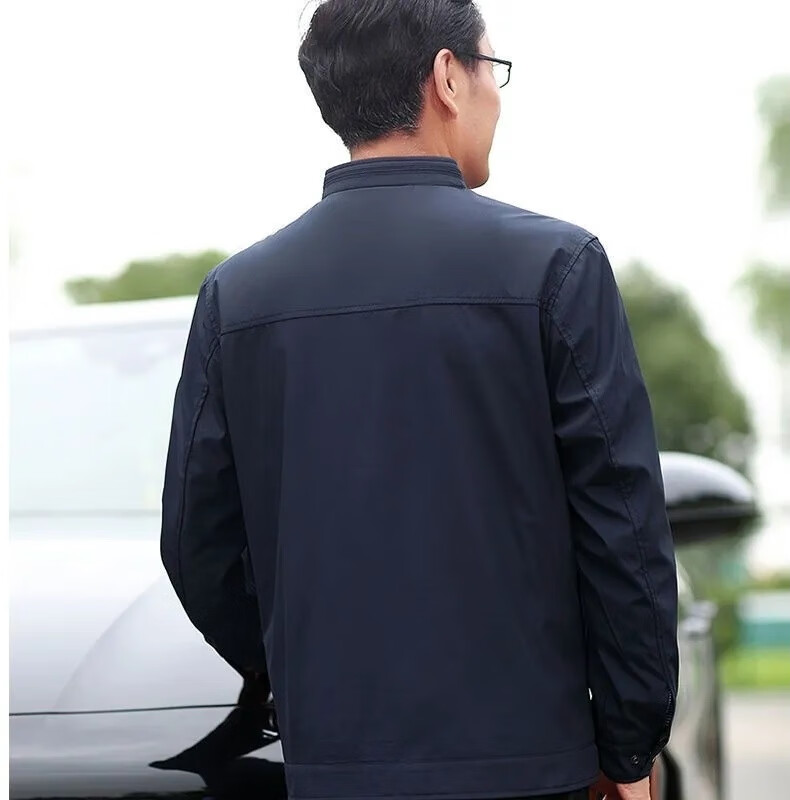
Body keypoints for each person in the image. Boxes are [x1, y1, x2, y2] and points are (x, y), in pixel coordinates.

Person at [160, 1, 679, 799]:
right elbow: (623, 533)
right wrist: (629, 746)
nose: (497, 95)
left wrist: (302, 673)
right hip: (532, 767)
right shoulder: (557, 266)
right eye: (492, 68)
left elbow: (197, 544)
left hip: (333, 768)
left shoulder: (237, 296)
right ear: (447, 77)